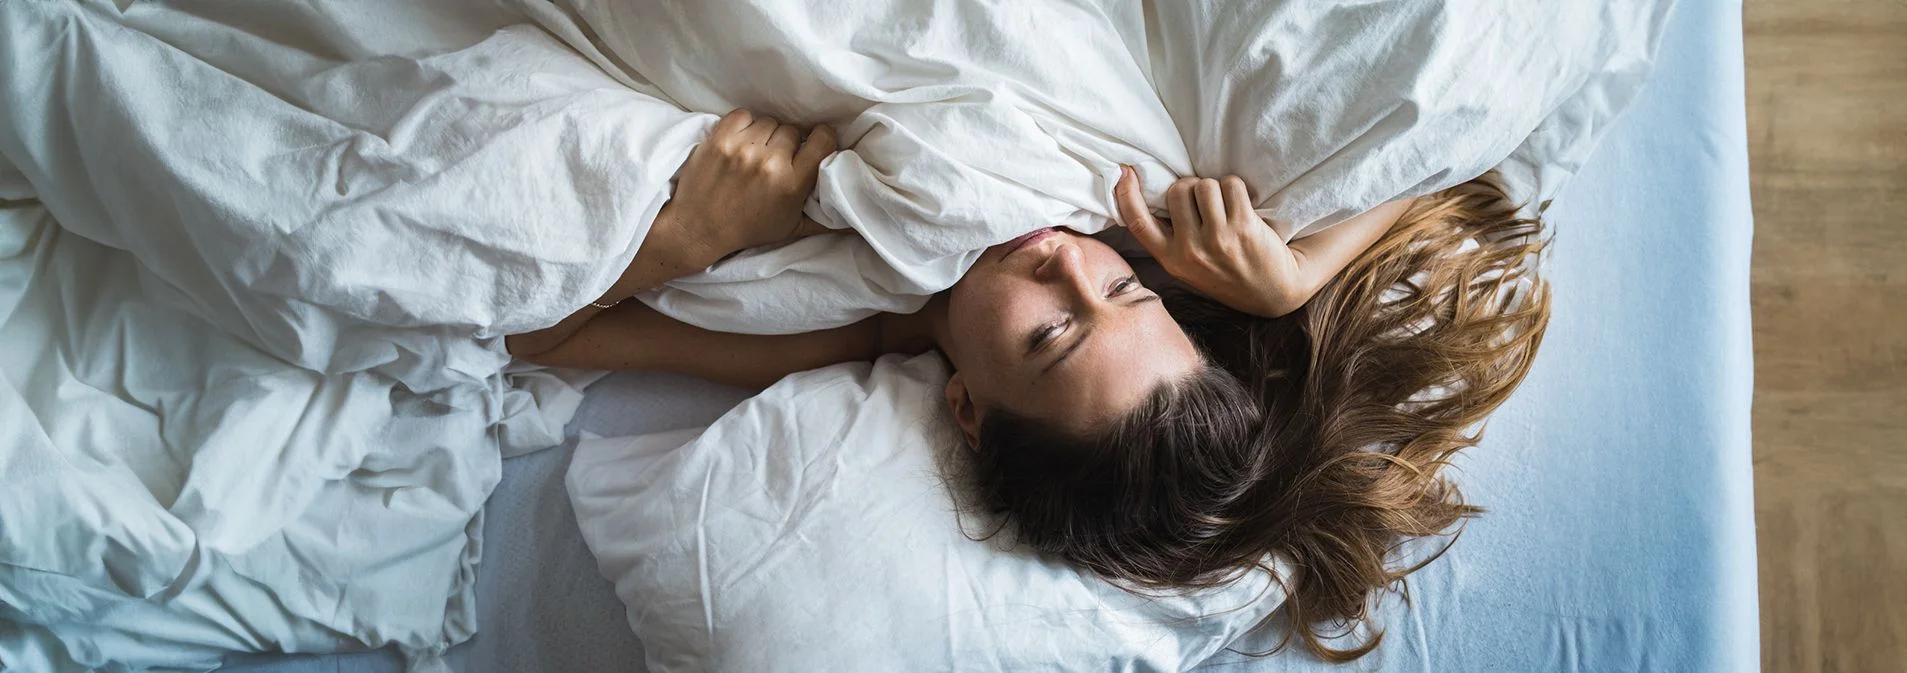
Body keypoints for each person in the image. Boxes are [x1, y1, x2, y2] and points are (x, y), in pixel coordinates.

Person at [506, 109, 1551, 661]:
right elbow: (1471, 138)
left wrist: (690, 239)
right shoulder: (1128, 214)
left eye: (1050, 333)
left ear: (963, 404)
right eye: (1122, 294)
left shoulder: (846, 326)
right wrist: (1298, 277)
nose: (1061, 260)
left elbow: (544, 336)